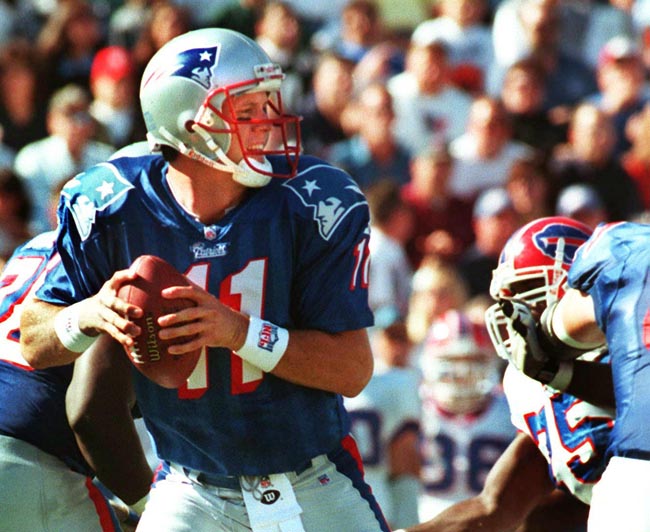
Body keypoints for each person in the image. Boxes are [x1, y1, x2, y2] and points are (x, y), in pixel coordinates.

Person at [19, 28, 388, 532]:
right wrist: (88, 315)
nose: (267, 123)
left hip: (316, 477)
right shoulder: (111, 202)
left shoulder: (314, 202)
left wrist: (237, 331)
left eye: (268, 104)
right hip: (191, 488)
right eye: (247, 110)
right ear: (191, 126)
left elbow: (351, 369)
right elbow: (36, 340)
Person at [398, 216, 614, 532]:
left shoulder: (629, 343)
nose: (516, 313)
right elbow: (494, 509)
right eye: (509, 298)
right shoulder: (529, 383)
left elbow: (633, 393)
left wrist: (559, 371)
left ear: (574, 289)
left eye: (529, 292)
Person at [499, 220, 650, 532]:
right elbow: (500, 506)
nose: (516, 310)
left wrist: (556, 363)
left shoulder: (620, 254)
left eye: (527, 291)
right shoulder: (522, 382)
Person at [0, 231, 153, 531]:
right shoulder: (128, 251)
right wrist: (156, 508)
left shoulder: (38, 244)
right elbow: (93, 413)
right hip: (28, 457)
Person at [416, 308, 515, 522]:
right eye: (451, 361)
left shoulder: (509, 408)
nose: (461, 373)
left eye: (472, 361)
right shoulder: (414, 405)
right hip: (422, 516)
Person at [344, 306, 422, 530]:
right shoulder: (398, 382)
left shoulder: (400, 381)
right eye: (392, 337)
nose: (397, 346)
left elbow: (404, 457)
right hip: (368, 494)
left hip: (369, 492)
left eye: (402, 338)